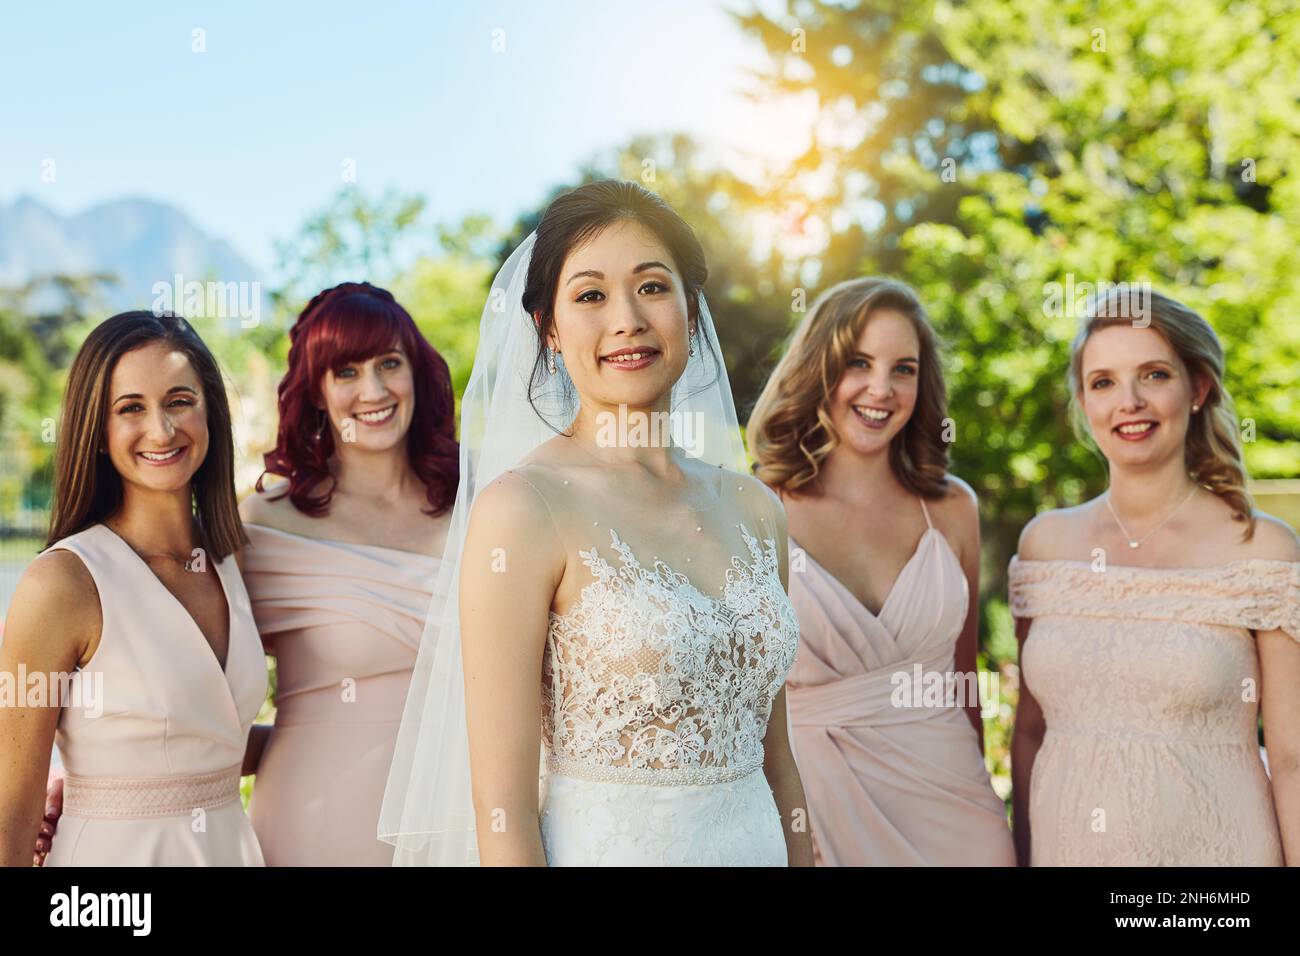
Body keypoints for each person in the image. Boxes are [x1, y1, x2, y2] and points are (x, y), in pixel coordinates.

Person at [1009, 288, 1300, 865]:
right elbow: (1029, 734)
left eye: (1154, 374)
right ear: (1084, 402)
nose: (1130, 401)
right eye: (1103, 382)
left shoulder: (1260, 548)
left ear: (1197, 389)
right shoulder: (1045, 544)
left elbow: (1292, 756)